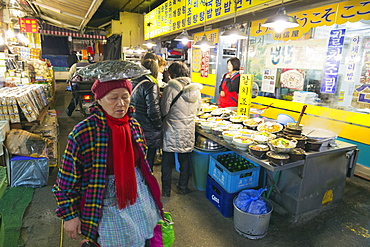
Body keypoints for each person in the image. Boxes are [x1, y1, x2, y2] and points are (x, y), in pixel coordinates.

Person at [53, 78, 163, 246]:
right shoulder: (83, 132)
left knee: (144, 239)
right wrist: (70, 216)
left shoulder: (133, 125)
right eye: (113, 97)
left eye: (125, 97)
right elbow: (66, 180)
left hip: (138, 197)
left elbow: (143, 165)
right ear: (99, 99)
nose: (121, 103)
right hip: (104, 203)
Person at [160, 61, 202, 197]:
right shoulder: (195, 89)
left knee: (167, 160)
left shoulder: (170, 88)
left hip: (171, 129)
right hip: (188, 129)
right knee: (185, 159)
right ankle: (182, 187)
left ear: (172, 73)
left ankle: (166, 190)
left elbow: (164, 109)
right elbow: (198, 109)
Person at [130, 59, 162, 170]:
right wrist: (159, 127)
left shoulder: (133, 82)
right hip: (148, 130)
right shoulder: (150, 85)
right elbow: (153, 111)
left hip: (135, 126)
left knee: (138, 159)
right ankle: (147, 184)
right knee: (148, 163)